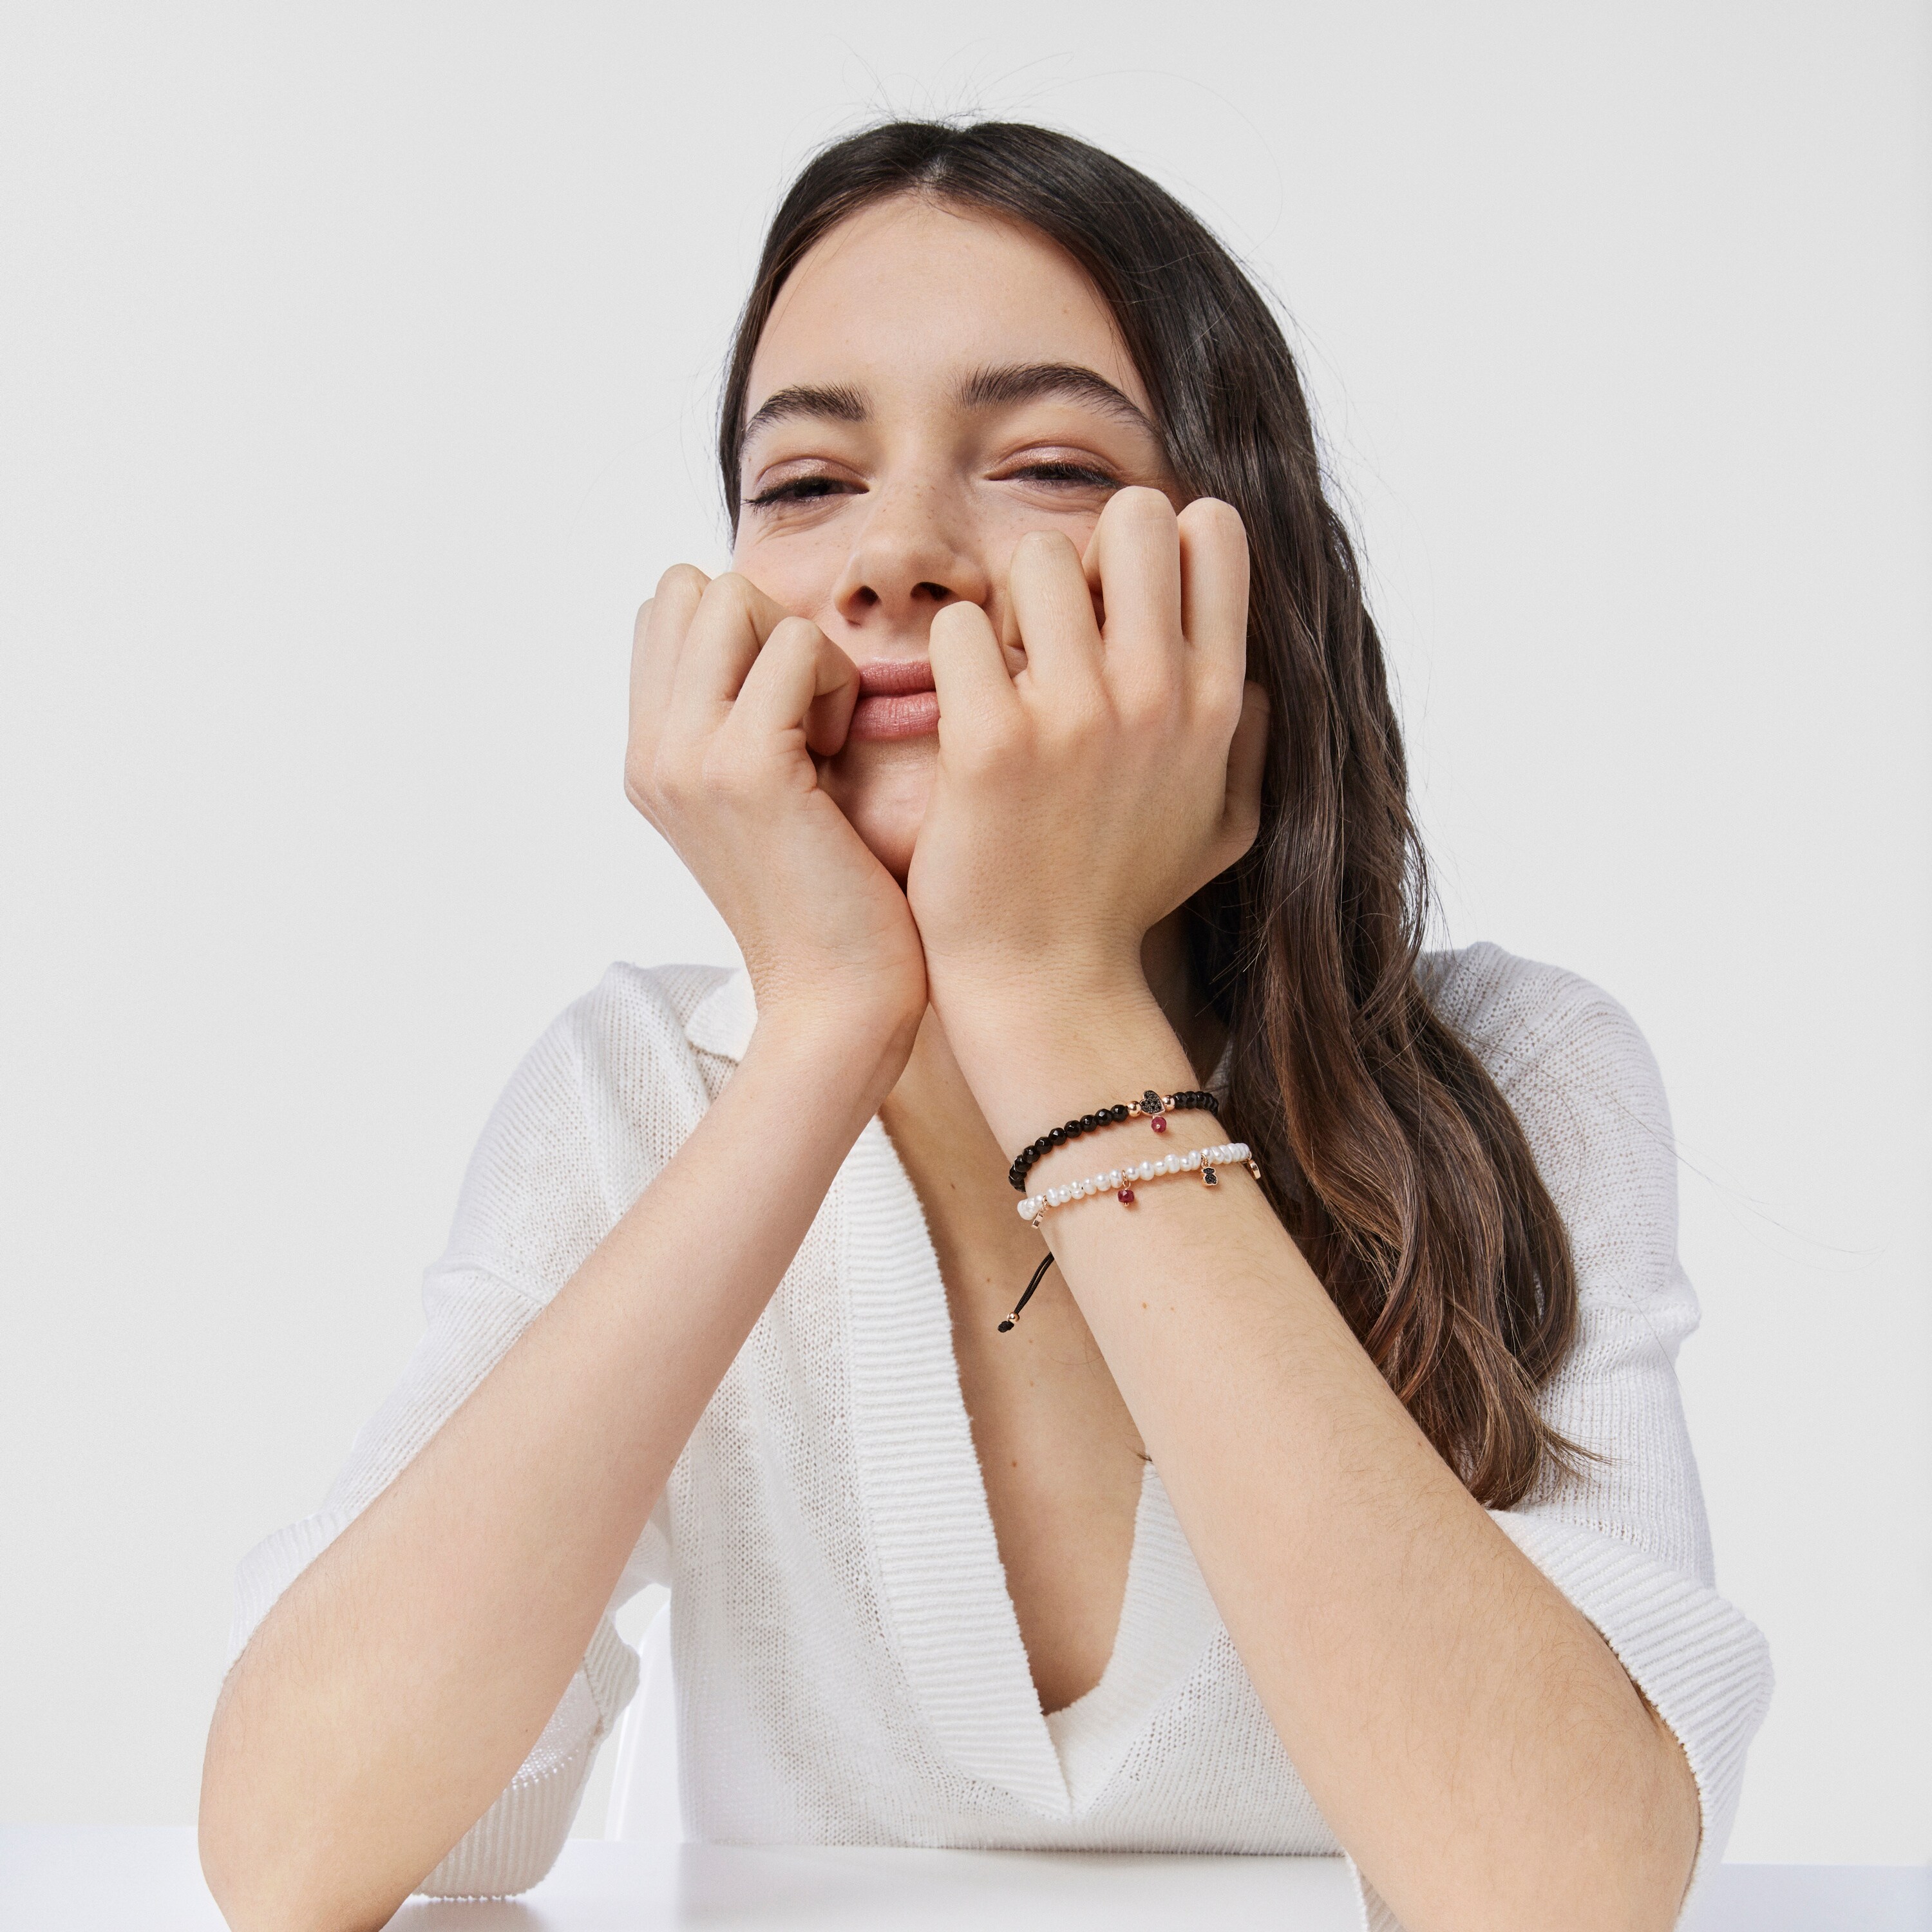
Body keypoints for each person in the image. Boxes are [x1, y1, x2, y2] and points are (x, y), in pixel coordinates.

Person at [198, 120, 1771, 1932]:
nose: (890, 559)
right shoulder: (642, 1091)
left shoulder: (1525, 1079)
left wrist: (1054, 998)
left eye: (1036, 460)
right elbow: (301, 1850)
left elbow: (1560, 1896)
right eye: (804, 485)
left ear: (1237, 579)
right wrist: (822, 1031)